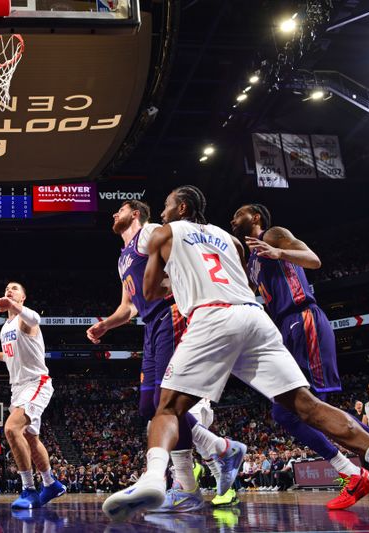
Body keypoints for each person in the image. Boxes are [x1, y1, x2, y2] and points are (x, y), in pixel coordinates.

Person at [102, 185, 369, 522]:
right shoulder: (229, 241)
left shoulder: (164, 232)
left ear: (183, 208)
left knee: (167, 407)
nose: (162, 213)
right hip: (254, 318)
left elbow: (148, 291)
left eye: (167, 206)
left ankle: (156, 479)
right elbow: (243, 284)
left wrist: (179, 281)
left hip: (212, 317)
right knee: (308, 406)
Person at [231, 203, 369, 509]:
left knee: (302, 410)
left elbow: (314, 260)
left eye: (238, 214)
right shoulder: (250, 257)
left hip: (302, 318)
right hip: (284, 327)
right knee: (296, 412)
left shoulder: (274, 234)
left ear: (254, 217)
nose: (232, 218)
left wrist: (280, 253)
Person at [86, 200, 244, 510]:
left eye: (120, 209)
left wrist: (181, 281)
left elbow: (184, 256)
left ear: (135, 214)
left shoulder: (150, 233)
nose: (113, 213)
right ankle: (221, 449)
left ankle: (188, 485)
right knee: (149, 407)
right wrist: (105, 325)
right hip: (151, 325)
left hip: (172, 314)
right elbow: (129, 307)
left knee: (166, 402)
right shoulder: (122, 259)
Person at [0, 282, 66, 509]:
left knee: (11, 429)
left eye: (14, 289)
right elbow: (10, 356)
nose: (9, 290)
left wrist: (12, 304)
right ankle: (50, 484)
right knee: (31, 438)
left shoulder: (25, 319)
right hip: (18, 388)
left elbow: (36, 319)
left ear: (23, 297)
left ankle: (29, 489)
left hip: (36, 383)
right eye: (6, 288)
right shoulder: (5, 327)